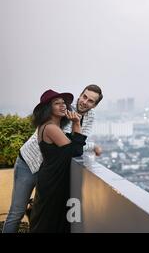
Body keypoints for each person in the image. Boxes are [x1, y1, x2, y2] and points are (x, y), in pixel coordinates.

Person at [2, 85, 103, 233]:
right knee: (17, 212)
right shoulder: (64, 111)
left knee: (41, 212)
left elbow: (79, 141)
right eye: (84, 97)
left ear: (94, 105)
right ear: (80, 95)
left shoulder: (89, 115)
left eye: (91, 101)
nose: (85, 102)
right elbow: (71, 144)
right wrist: (94, 146)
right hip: (29, 163)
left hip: (49, 168)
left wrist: (82, 141)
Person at [27, 90, 87, 232]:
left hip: (50, 177)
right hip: (53, 180)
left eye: (63, 103)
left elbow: (70, 146)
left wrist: (74, 126)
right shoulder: (51, 128)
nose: (63, 106)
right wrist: (77, 122)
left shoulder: (49, 126)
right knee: (50, 220)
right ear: (48, 108)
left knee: (47, 217)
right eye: (56, 103)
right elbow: (75, 151)